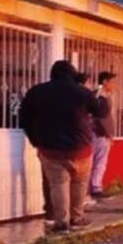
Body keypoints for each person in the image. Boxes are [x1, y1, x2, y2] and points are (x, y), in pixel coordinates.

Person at [19, 61, 104, 233]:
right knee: (79, 183)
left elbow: (24, 118)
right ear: (72, 74)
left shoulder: (37, 92)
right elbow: (100, 112)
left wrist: (35, 140)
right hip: (80, 148)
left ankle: (61, 223)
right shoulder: (82, 92)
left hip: (51, 149)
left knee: (58, 184)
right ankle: (76, 218)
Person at [89, 71, 116, 199]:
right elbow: (99, 117)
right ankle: (95, 187)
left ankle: (94, 187)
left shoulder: (103, 95)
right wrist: (108, 133)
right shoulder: (100, 95)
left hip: (99, 133)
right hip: (99, 133)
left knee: (97, 161)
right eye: (111, 81)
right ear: (105, 81)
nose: (114, 85)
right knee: (99, 161)